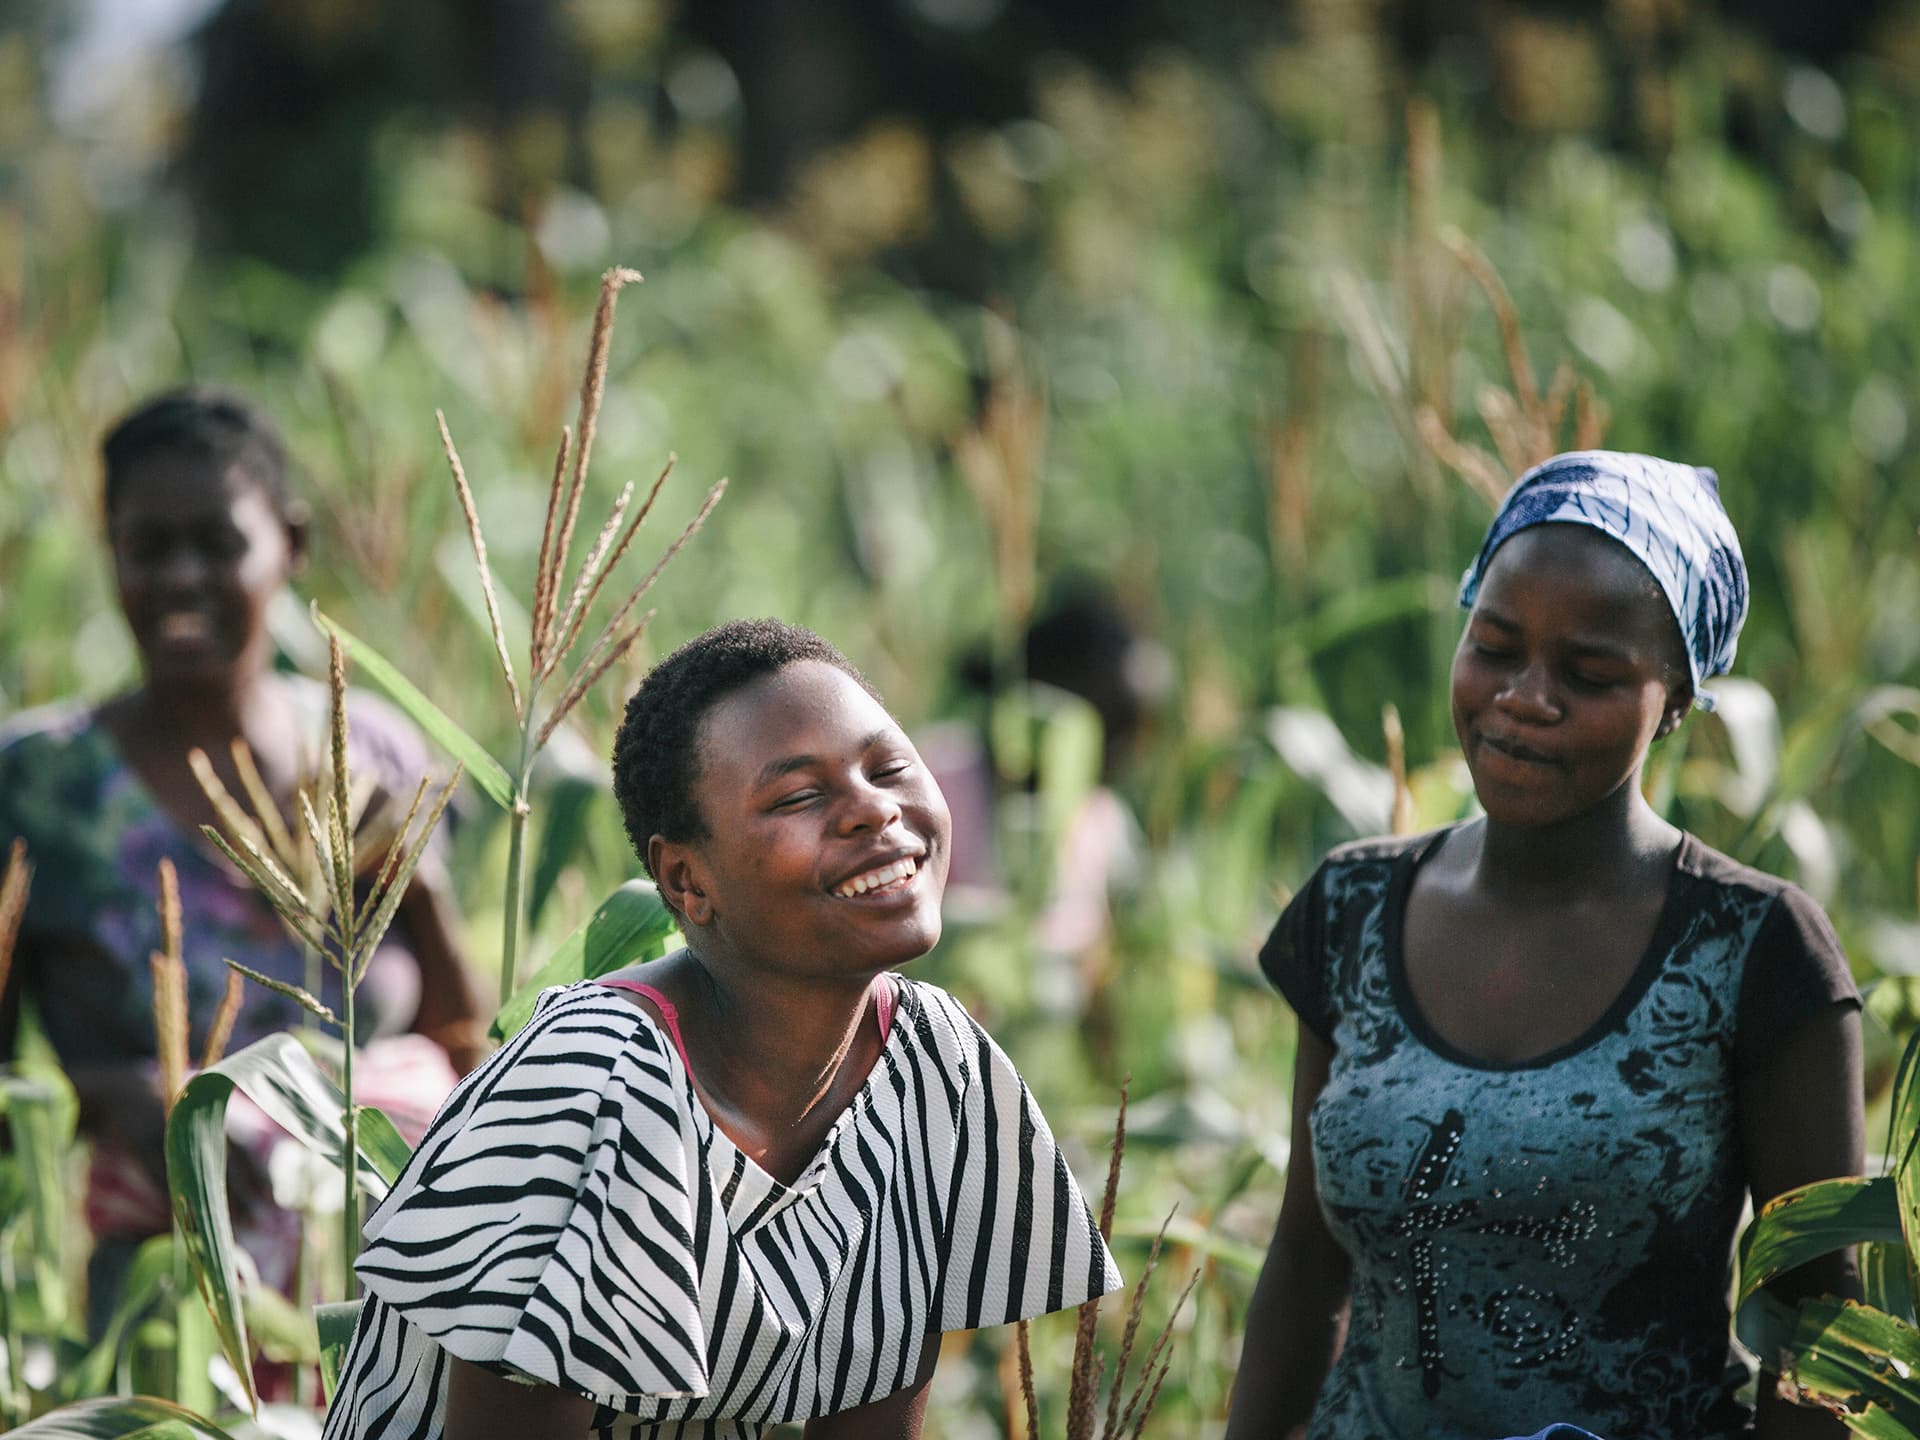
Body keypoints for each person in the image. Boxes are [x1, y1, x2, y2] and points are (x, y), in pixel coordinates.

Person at [322, 619, 1122, 1439]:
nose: (873, 810)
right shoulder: (591, 1087)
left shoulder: (937, 1070)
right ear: (685, 878)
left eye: (888, 768)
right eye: (798, 796)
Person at [1226, 452, 1863, 1440]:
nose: (1525, 698)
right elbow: (1308, 1266)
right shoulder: (1352, 907)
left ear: (1680, 698)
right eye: (1494, 646)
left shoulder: (1754, 949)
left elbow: (1822, 1327)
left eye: (1591, 673)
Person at [0, 388, 486, 1328]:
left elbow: (463, 1040)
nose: (180, 578)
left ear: (291, 546)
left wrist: (412, 884)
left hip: (383, 1284)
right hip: (165, 1314)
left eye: (217, 545)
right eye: (145, 548)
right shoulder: (38, 787)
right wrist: (109, 1098)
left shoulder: (370, 750)